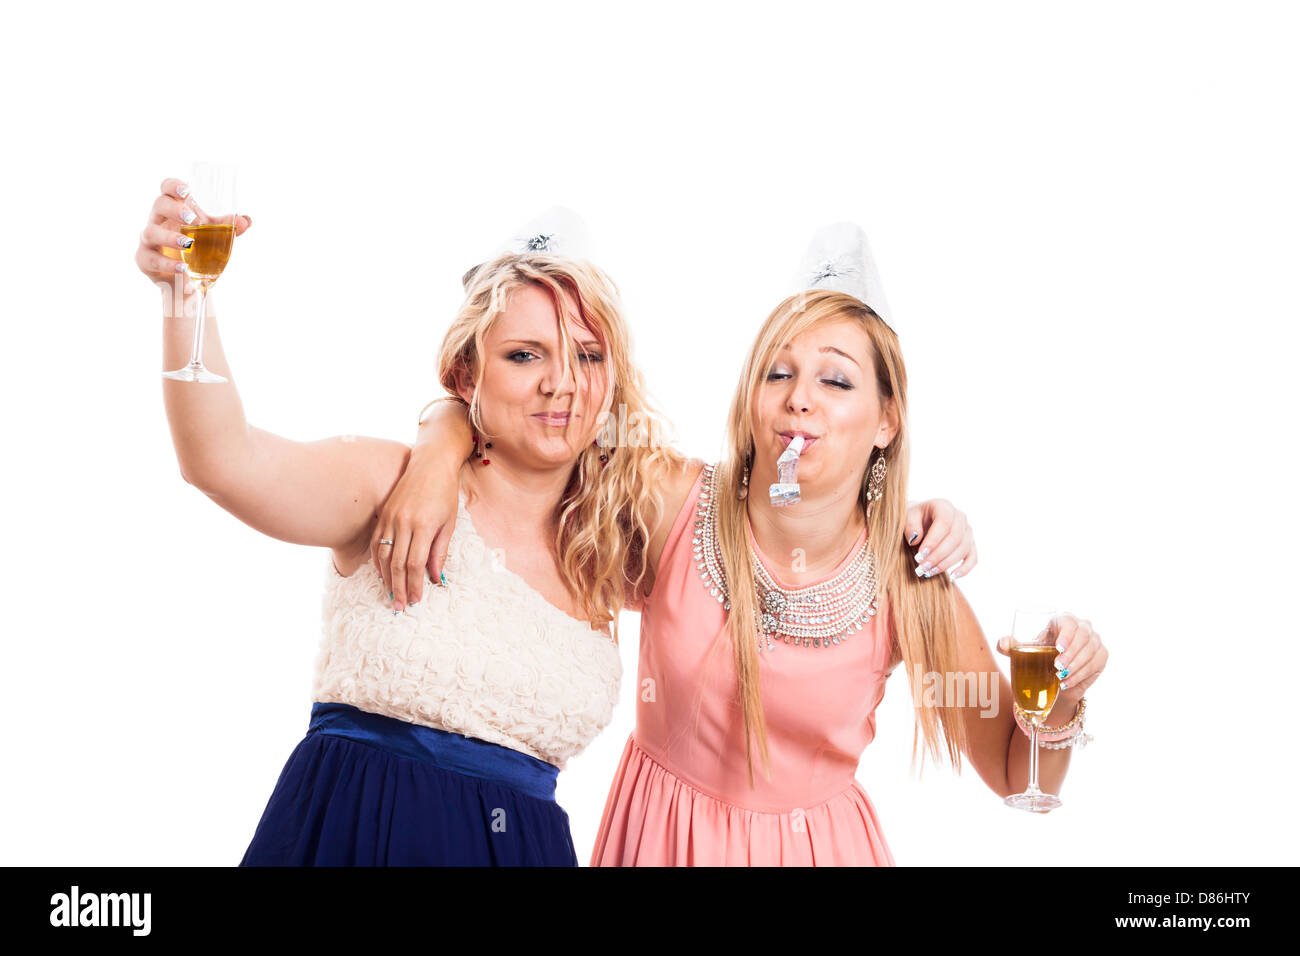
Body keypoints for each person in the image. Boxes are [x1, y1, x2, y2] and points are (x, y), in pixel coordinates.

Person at [374, 225, 1023, 865]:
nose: (800, 399)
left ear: (887, 419)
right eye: (778, 373)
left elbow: (1011, 770)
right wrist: (438, 443)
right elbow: (531, 430)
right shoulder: (669, 502)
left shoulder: (912, 577)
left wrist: (1067, 704)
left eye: (836, 381)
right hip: (663, 845)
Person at [137, 186, 667, 864]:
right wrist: (186, 296)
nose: (561, 385)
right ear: (466, 376)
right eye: (525, 354)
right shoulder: (385, 483)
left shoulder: (610, 550)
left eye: (588, 356)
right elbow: (220, 459)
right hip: (353, 837)